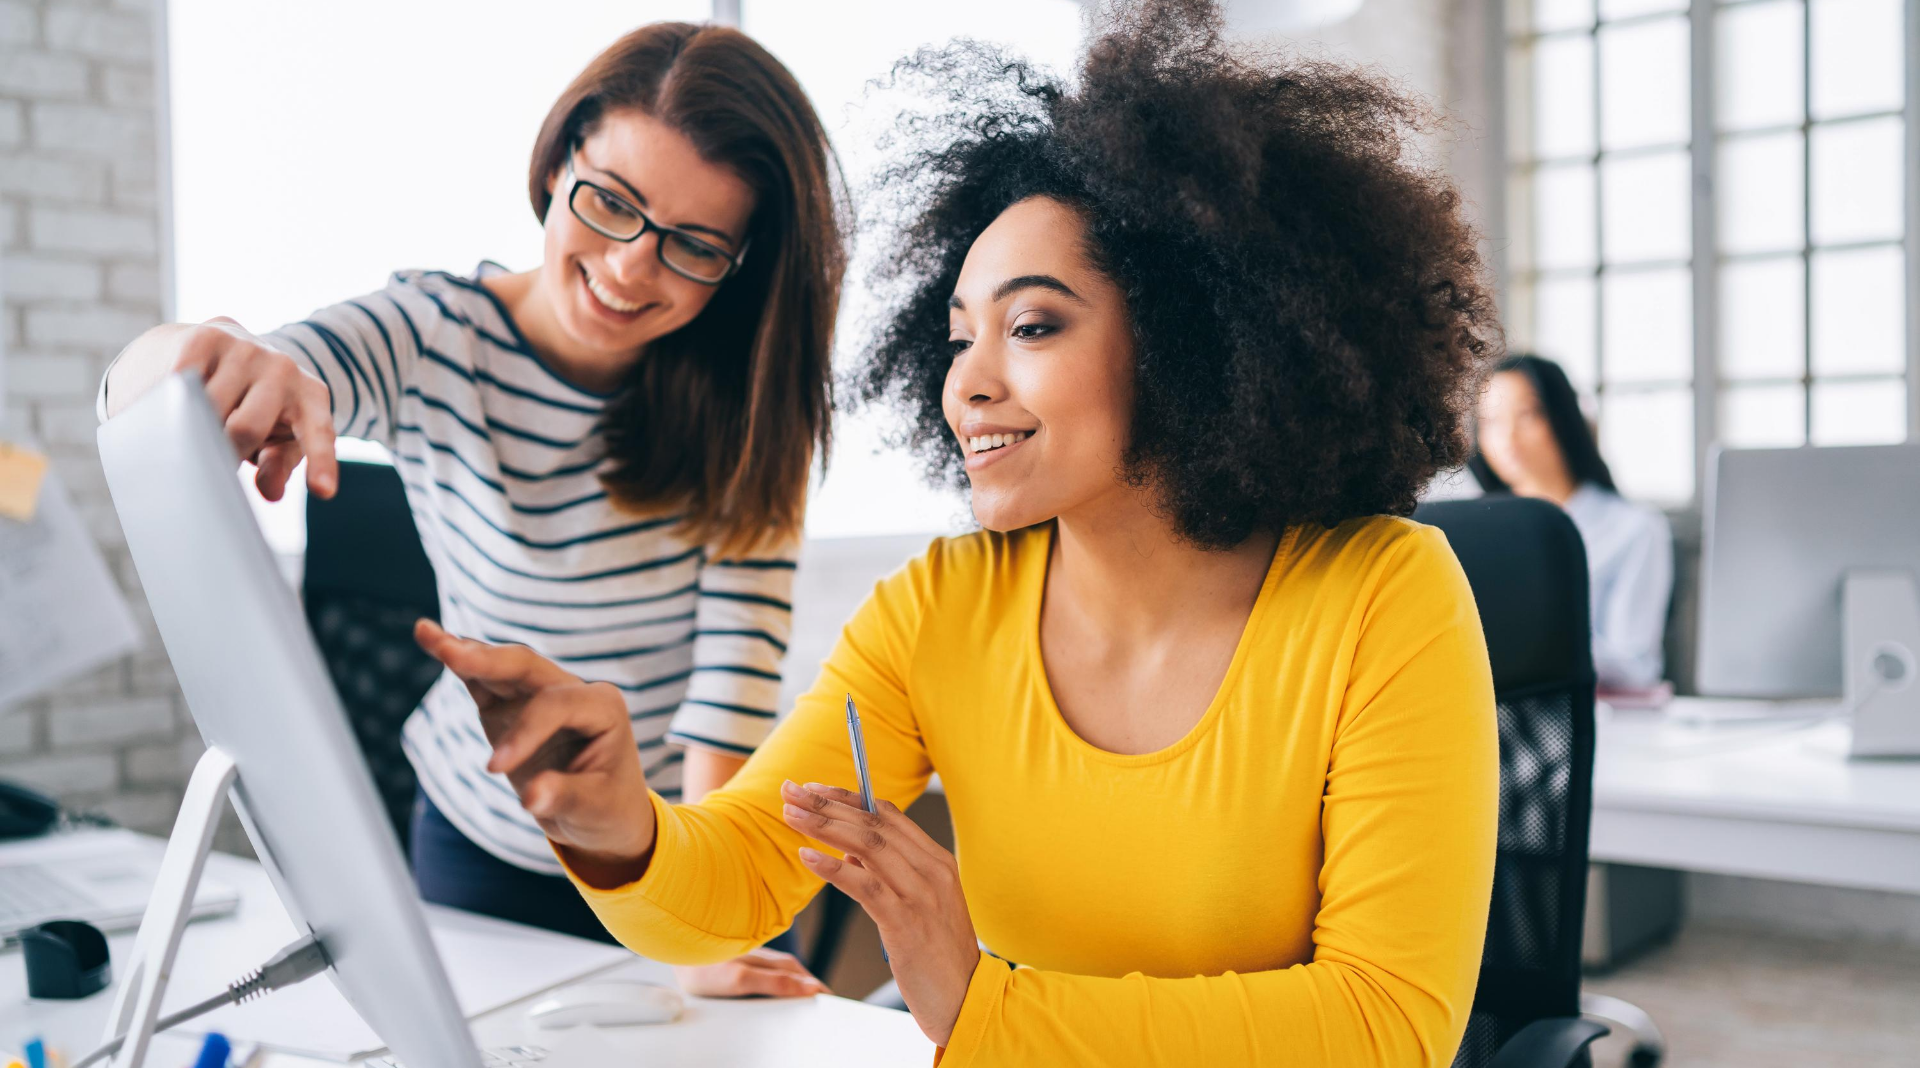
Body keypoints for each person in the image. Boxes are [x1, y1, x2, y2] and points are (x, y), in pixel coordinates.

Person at [415, 1, 1501, 1062]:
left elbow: (1387, 1029)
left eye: (1032, 326)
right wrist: (622, 828)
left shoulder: (1384, 596)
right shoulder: (942, 609)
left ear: (1191, 341)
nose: (966, 385)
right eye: (956, 336)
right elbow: (741, 876)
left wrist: (989, 1010)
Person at [97, 22, 841, 999]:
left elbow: (731, 687)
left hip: (655, 846)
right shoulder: (437, 334)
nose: (628, 267)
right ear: (559, 158)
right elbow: (185, 382)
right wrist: (207, 354)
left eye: (694, 246)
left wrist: (696, 917)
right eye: (611, 202)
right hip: (475, 832)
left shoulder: (751, 406)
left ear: (742, 266)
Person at [1469, 354, 1674, 691]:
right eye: (1490, 422)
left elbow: (1637, 667)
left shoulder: (1634, 528)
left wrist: (1534, 636)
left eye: (1527, 415)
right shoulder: (1476, 529)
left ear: (1563, 418)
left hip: (1597, 720)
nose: (1507, 437)